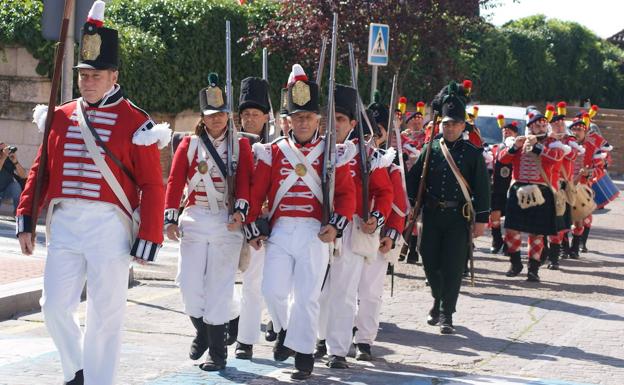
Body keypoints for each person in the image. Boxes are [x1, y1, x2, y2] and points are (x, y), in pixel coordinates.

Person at [16, 2, 170, 384]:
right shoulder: (62, 114)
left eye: (96, 74)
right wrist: (26, 217)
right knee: (53, 307)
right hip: (65, 222)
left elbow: (152, 185)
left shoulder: (137, 121)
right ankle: (77, 370)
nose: (88, 81)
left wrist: (149, 237)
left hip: (110, 225)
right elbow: (42, 168)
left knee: (106, 313)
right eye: (83, 74)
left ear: (113, 75)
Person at [245, 65, 355, 380]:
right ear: (288, 120)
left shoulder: (332, 153)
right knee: (272, 291)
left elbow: (346, 195)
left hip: (314, 232)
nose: (303, 123)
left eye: (308, 117)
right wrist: (253, 225)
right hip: (280, 230)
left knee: (306, 296)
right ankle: (283, 330)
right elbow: (257, 193)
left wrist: (336, 226)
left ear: (318, 119)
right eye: (297, 117)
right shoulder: (275, 151)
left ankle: (304, 356)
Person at [164, 72, 253, 371]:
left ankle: (217, 351)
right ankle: (202, 331)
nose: (217, 120)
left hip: (226, 220)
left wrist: (240, 210)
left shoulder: (242, 146)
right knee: (187, 283)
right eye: (211, 115)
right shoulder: (188, 145)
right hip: (195, 216)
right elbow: (175, 181)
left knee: (219, 286)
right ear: (203, 116)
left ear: (229, 115)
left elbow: (246, 182)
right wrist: (170, 218)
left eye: (222, 115)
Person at [315, 84, 394, 368]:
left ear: (351, 124)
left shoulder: (367, 155)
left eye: (340, 119)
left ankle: (337, 350)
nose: (334, 124)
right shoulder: (312, 148)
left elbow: (385, 193)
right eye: (331, 118)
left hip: (350, 229)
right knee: (316, 290)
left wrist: (378, 216)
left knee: (345, 292)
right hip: (315, 226)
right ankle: (315, 339)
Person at [406, 81, 490, 334]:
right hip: (431, 216)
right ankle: (438, 298)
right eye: (446, 123)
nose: (450, 128)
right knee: (430, 262)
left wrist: (481, 220)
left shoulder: (473, 153)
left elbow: (483, 189)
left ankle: (446, 314)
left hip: (458, 218)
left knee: (453, 267)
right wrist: (409, 206)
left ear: (463, 126)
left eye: (455, 123)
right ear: (439, 125)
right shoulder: (430, 148)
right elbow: (413, 180)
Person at [352, 104, 409, 360]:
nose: (369, 141)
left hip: (378, 235)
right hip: (349, 232)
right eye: (364, 136)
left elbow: (398, 206)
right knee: (341, 290)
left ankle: (364, 340)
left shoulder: (389, 164)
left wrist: (392, 234)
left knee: (370, 292)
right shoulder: (347, 159)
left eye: (374, 135)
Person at [498, 110, 566, 282]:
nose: (541, 127)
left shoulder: (553, 143)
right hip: (518, 190)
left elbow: (556, 159)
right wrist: (514, 147)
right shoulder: (518, 141)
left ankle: (533, 269)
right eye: (537, 125)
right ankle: (515, 263)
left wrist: (537, 147)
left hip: (541, 191)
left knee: (537, 233)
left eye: (543, 124)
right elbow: (502, 159)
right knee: (511, 229)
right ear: (530, 127)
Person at [233, 76, 270, 359]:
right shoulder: (230, 145)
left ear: (266, 117)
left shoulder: (279, 146)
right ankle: (236, 328)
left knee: (257, 283)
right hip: (233, 222)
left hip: (266, 224)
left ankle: (248, 338)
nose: (250, 120)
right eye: (245, 114)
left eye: (255, 114)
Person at [544, 102, 579, 268]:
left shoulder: (569, 141)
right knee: (540, 223)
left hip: (560, 186)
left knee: (558, 223)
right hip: (542, 185)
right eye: (555, 123)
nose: (559, 126)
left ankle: (554, 257)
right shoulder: (543, 140)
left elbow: (572, 155)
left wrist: (563, 143)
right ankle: (542, 255)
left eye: (561, 123)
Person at [488, 117, 519, 254]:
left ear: (515, 134)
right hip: (497, 185)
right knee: (494, 215)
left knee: (510, 217)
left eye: (510, 131)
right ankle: (496, 239)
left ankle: (508, 242)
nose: (506, 132)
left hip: (512, 186)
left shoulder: (519, 148)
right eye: (505, 131)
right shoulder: (495, 148)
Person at [0, 142, 27, 213]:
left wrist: (15, 161)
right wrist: (3, 158)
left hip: (6, 190)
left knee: (16, 186)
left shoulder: (8, 160)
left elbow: (23, 176)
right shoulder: (3, 158)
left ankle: (17, 213)